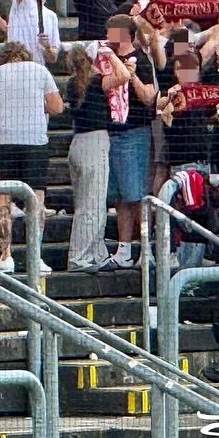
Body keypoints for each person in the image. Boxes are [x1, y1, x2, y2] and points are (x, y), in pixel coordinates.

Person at [0, 42, 61, 275]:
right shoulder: (40, 71)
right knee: (36, 201)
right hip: (34, 142)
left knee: (2, 202)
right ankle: (35, 255)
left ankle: (6, 255)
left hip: (1, 142)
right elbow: (56, 107)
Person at [100, 14, 157, 268]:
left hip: (134, 133)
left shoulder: (142, 60)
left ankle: (145, 249)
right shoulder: (105, 58)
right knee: (122, 196)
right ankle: (124, 250)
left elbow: (149, 98)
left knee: (137, 195)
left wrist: (132, 76)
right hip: (111, 133)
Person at [63, 44, 111, 272]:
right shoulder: (97, 80)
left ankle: (96, 253)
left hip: (78, 144)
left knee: (88, 203)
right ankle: (80, 257)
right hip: (95, 142)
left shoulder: (73, 83)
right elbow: (121, 77)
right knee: (92, 205)